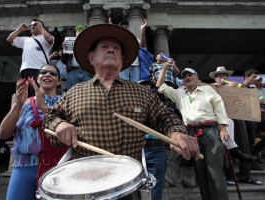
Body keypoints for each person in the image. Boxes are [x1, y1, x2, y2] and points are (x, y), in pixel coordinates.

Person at [43, 24, 200, 167]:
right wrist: (59, 125)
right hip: (88, 179)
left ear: (122, 59)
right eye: (104, 47)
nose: (111, 50)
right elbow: (49, 118)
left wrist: (177, 133)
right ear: (91, 57)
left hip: (129, 180)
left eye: (116, 49)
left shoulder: (142, 92)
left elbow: (166, 118)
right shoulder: (74, 92)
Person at [157, 66, 230, 200]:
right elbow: (159, 85)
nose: (187, 78)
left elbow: (219, 106)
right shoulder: (179, 93)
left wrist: (223, 128)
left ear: (197, 78)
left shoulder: (207, 89)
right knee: (200, 172)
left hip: (210, 130)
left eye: (190, 75)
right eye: (184, 76)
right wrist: (165, 67)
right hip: (191, 133)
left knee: (215, 171)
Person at [0, 64, 70, 200]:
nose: (47, 74)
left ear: (59, 81)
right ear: (38, 79)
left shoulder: (65, 102)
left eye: (53, 73)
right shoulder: (24, 102)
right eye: (43, 72)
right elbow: (3, 134)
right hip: (24, 165)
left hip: (55, 166)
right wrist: (18, 105)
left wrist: (42, 105)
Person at [209, 66, 260, 185]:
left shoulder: (235, 86)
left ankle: (245, 175)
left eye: (224, 75)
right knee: (225, 146)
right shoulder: (211, 88)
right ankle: (228, 175)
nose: (222, 77)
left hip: (237, 118)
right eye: (219, 75)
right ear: (215, 78)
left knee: (244, 144)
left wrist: (237, 89)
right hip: (221, 120)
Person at [6, 19, 54, 97]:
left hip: (38, 69)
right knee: (22, 94)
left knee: (36, 94)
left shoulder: (45, 38)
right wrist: (19, 29)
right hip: (25, 70)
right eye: (31, 25)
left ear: (40, 26)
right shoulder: (26, 39)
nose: (32, 27)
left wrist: (42, 28)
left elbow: (50, 40)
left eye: (35, 25)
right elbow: (9, 39)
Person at [138, 80, 167, 200]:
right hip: (139, 150)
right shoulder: (131, 107)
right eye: (142, 87)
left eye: (147, 87)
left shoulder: (159, 104)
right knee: (137, 185)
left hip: (157, 148)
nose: (145, 89)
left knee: (155, 184)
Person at [63, 25, 92, 90]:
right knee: (72, 92)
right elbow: (63, 60)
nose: (79, 32)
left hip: (86, 72)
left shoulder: (89, 43)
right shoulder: (69, 43)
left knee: (88, 92)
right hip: (73, 71)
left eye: (82, 31)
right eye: (78, 31)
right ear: (76, 34)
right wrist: (63, 49)